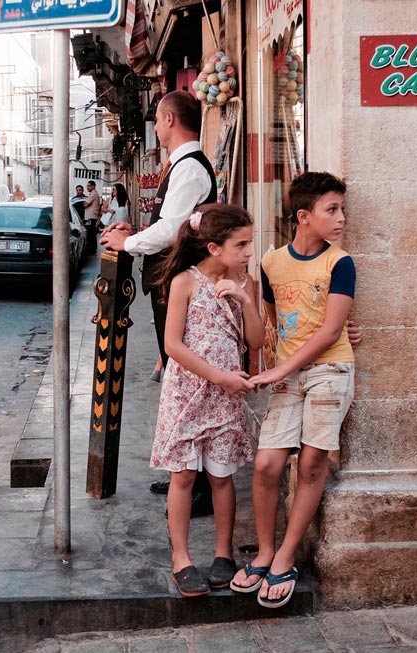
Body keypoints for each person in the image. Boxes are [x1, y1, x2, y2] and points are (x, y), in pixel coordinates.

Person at [229, 172, 356, 609]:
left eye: (342, 209)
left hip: (330, 369)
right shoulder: (271, 263)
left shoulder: (340, 263)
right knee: (266, 465)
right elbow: (269, 323)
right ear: (304, 217)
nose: (340, 219)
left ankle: (286, 555)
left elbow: (330, 330)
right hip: (286, 375)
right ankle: (265, 551)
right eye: (331, 210)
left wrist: (279, 367)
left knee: (312, 462)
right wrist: (265, 367)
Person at [100, 90, 217, 515]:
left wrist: (128, 242)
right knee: (178, 379)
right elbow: (171, 224)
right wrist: (134, 232)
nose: (154, 127)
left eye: (157, 119)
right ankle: (186, 474)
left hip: (178, 286)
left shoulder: (188, 168)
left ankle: (198, 485)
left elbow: (171, 232)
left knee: (185, 381)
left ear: (168, 119)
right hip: (169, 284)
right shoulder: (182, 166)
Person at [150, 204, 263, 596]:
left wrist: (246, 300)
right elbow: (172, 345)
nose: (249, 251)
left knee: (221, 476)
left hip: (225, 397)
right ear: (214, 247)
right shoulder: (185, 282)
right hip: (188, 393)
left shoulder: (244, 282)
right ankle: (181, 557)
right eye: (242, 244)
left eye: (250, 243)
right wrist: (219, 377)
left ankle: (222, 553)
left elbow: (257, 341)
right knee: (182, 476)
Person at [72, 185, 95, 255]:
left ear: (83, 190)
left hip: (85, 219)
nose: (79, 191)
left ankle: (89, 250)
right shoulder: (73, 200)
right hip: (76, 220)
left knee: (88, 235)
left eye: (80, 190)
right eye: (77, 190)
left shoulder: (87, 198)